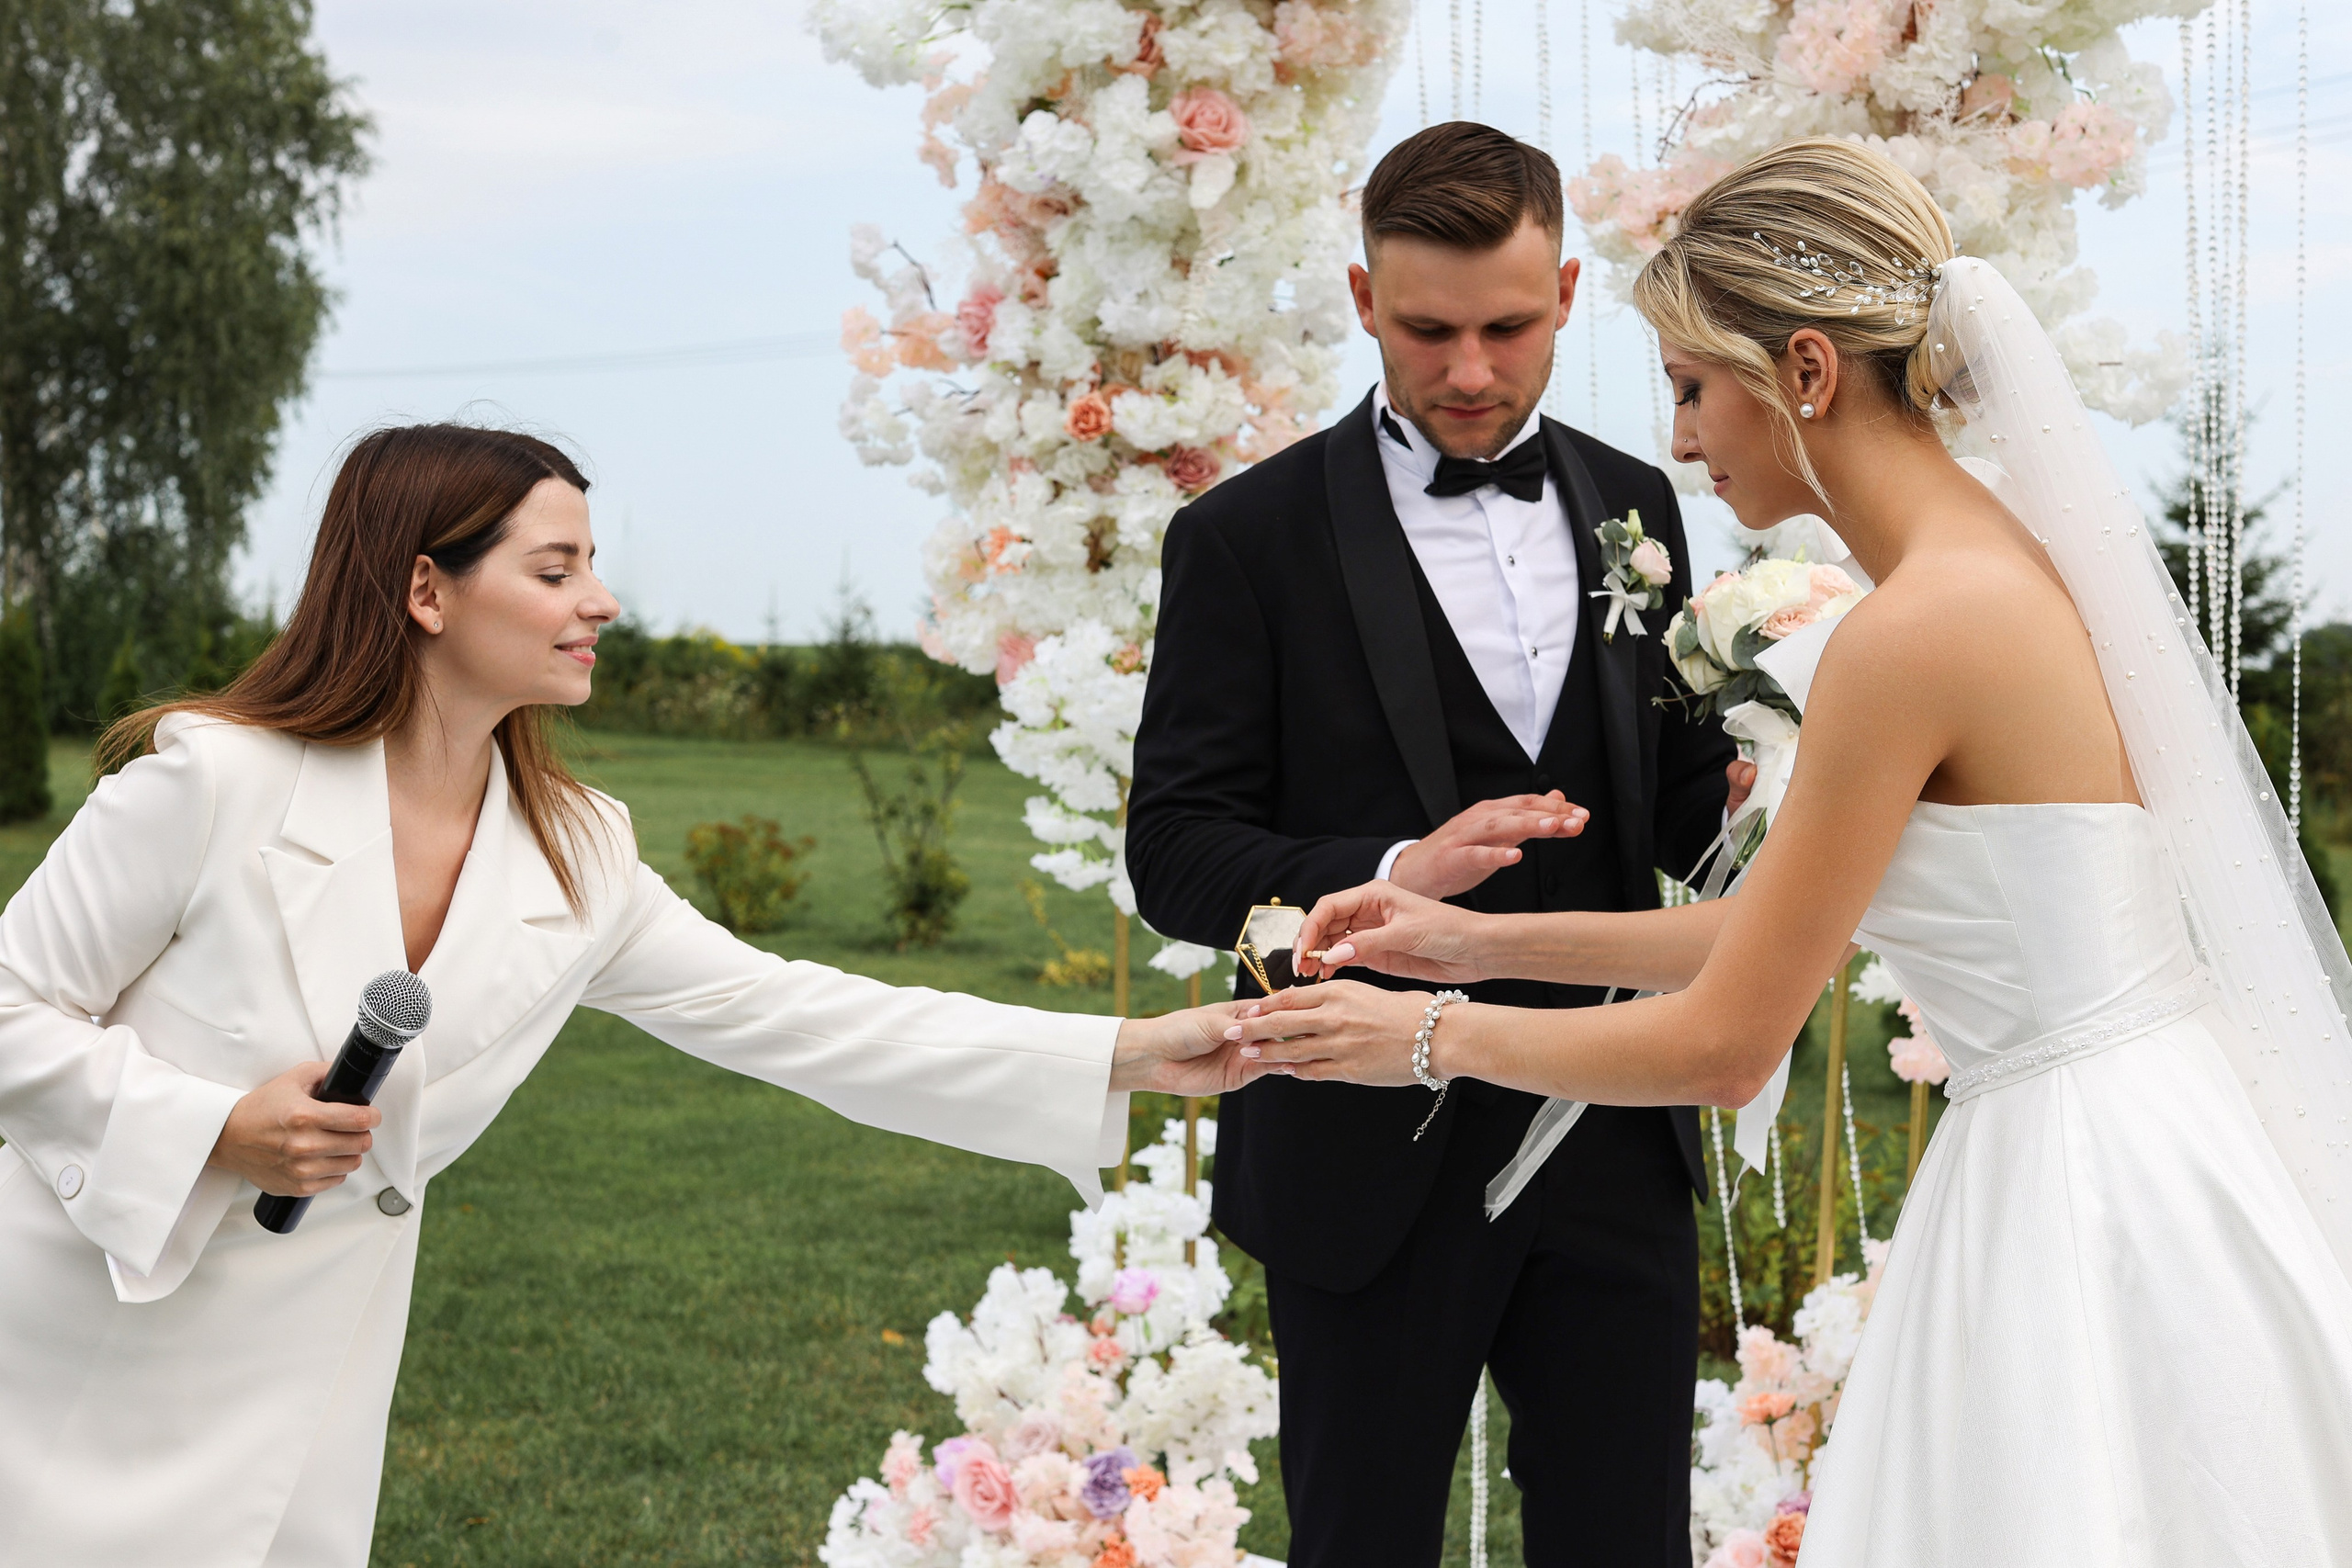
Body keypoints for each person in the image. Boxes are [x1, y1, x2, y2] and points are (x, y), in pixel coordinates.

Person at [1236, 140, 2352, 1564]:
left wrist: (1421, 1035)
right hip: (2138, 1129)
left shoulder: (1912, 631)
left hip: (2079, 1188)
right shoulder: (1997, 557)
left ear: (1808, 373)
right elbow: (1776, 926)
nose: (1684, 442)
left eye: (1695, 388)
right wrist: (1460, 939)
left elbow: (1724, 1044)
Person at [0, 424, 1258, 1568]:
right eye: (553, 571)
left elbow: (802, 1016)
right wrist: (216, 1126)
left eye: (590, 565)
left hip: (310, 1398)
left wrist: (1132, 1053)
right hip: (85, 1362)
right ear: (424, 588)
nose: (598, 600)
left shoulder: (578, 852)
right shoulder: (213, 783)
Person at [1125, 121, 1736, 1567]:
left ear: (1572, 294)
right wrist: (1392, 873)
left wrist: (1796, 749)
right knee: (1364, 1540)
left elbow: (1674, 796)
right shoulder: (1243, 539)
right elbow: (1176, 847)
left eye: (1509, 327)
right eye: (1428, 330)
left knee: (1625, 1538)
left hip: (1609, 1122)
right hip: (1361, 1146)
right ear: (1360, 299)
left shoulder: (1638, 507)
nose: (1470, 371)